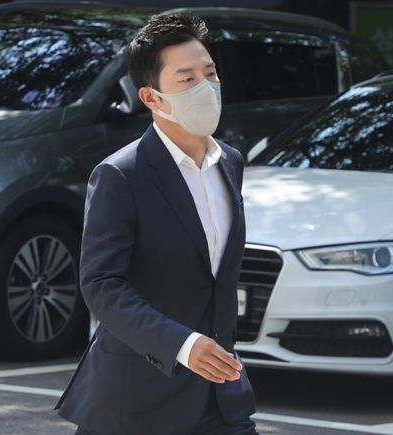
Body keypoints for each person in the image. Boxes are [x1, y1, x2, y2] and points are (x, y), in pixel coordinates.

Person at [54, 13, 258, 435]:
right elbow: (101, 284)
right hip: (137, 402)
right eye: (187, 79)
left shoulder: (230, 163)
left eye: (210, 73)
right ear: (151, 97)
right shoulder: (120, 175)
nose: (206, 87)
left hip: (222, 399)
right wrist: (182, 344)